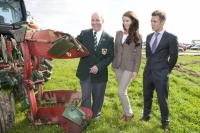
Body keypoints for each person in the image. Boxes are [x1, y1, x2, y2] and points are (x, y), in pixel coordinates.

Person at [141, 10, 178, 131]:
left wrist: (166, 71)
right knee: (147, 96)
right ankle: (146, 116)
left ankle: (165, 122)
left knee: (162, 99)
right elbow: (148, 55)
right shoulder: (149, 37)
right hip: (148, 73)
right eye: (151, 21)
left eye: (154, 21)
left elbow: (174, 57)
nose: (152, 23)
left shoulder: (171, 38)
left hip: (161, 74)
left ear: (162, 22)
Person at [76, 12, 114, 120]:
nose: (94, 23)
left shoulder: (109, 38)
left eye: (97, 20)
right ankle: (86, 114)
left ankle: (96, 113)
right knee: (86, 96)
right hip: (85, 73)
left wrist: (98, 67)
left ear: (102, 21)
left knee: (98, 96)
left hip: (100, 74)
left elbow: (110, 56)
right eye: (92, 20)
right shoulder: (84, 34)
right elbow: (73, 43)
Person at [112, 11, 142, 122]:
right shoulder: (118, 33)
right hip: (118, 66)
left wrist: (135, 71)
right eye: (123, 20)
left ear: (133, 21)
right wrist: (113, 64)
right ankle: (126, 113)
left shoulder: (138, 36)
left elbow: (138, 56)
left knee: (121, 91)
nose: (125, 23)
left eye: (127, 20)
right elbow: (115, 50)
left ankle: (129, 114)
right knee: (122, 91)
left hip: (129, 67)